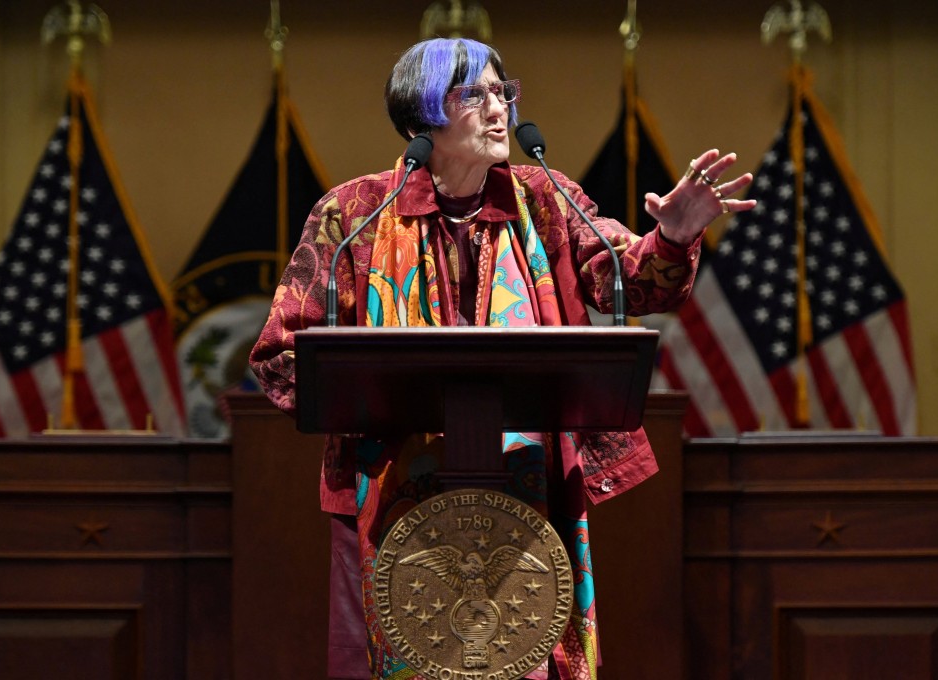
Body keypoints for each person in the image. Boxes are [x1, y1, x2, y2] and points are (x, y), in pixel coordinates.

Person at [250, 37, 755, 680]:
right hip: (397, 485)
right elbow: (278, 353)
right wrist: (357, 394)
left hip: (529, 480)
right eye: (475, 95)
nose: (500, 111)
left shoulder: (543, 198)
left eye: (503, 93)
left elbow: (625, 279)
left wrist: (674, 236)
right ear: (420, 118)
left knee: (525, 644)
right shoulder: (353, 213)